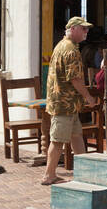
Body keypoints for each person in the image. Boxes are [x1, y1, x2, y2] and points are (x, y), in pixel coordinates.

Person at [42, 17, 97, 186]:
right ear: (73, 29)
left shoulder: (62, 45)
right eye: (83, 29)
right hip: (64, 104)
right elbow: (75, 79)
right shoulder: (71, 50)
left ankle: (84, 173)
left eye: (87, 29)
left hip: (67, 103)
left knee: (76, 136)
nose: (86, 32)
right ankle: (48, 175)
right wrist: (88, 96)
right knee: (58, 140)